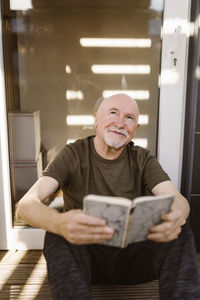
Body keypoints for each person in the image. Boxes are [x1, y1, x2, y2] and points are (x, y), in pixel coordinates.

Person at [17, 93, 200, 300]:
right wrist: (59, 223)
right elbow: (25, 205)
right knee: (56, 234)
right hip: (86, 262)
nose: (120, 123)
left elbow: (179, 200)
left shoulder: (142, 158)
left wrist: (177, 216)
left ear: (135, 129)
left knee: (180, 230)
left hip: (134, 260)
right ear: (96, 119)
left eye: (129, 118)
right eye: (113, 113)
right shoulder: (73, 154)